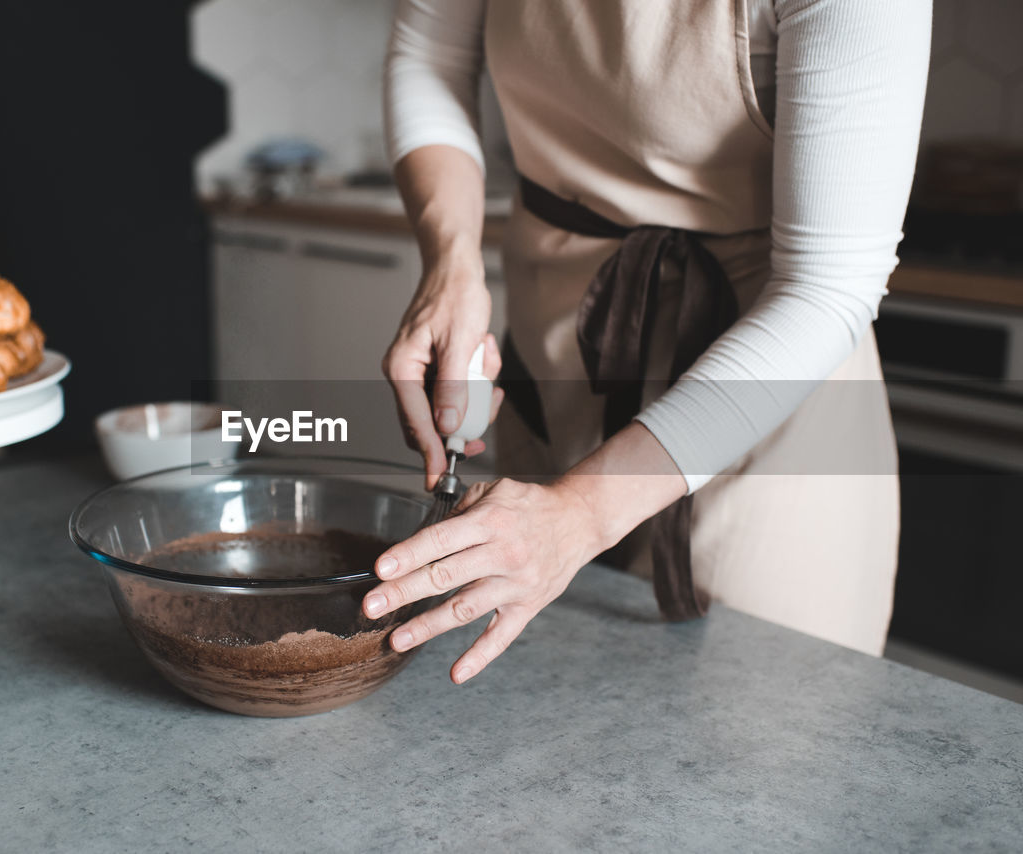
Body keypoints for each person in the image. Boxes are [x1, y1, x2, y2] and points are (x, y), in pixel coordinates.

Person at [363, 0, 931, 685]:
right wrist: (451, 264)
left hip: (765, 408)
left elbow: (825, 290)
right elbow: (430, 56)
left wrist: (581, 511)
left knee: (751, 739)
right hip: (554, 367)